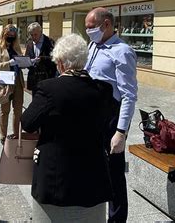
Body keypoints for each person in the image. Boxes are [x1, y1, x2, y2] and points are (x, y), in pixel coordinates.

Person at [21, 34, 114, 222]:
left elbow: (28, 124)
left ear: (61, 63)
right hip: (93, 175)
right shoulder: (104, 90)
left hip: (56, 175)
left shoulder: (48, 88)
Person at [84, 7, 138, 222]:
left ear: (106, 24)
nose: (88, 31)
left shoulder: (122, 51)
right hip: (93, 118)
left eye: (91, 27)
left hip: (111, 120)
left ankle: (116, 219)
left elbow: (129, 95)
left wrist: (121, 132)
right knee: (94, 170)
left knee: (114, 175)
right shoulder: (93, 45)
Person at [0, 24, 25, 144]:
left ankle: (16, 133)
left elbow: (20, 61)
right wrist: (8, 63)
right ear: (4, 35)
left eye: (13, 35)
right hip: (5, 82)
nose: (11, 37)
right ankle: (3, 135)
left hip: (18, 81)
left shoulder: (16, 47)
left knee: (18, 110)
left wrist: (25, 62)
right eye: (8, 35)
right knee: (4, 110)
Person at [25, 22, 57, 95]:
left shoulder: (49, 42)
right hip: (34, 78)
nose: (33, 37)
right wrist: (26, 62)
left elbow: (55, 58)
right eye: (31, 35)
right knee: (36, 101)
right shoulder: (29, 43)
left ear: (40, 32)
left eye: (35, 34)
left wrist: (42, 59)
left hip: (47, 77)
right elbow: (27, 57)